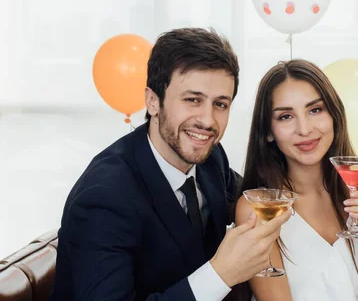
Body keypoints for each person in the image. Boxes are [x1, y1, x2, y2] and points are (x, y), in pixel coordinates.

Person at [52, 28, 289, 300]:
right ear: (153, 101)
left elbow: (257, 197)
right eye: (192, 100)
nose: (208, 120)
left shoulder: (211, 158)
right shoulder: (104, 197)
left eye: (220, 104)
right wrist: (220, 274)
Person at [236, 59, 358, 301]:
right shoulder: (259, 209)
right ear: (267, 132)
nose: (305, 129)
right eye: (286, 116)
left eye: (315, 110)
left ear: (334, 115)